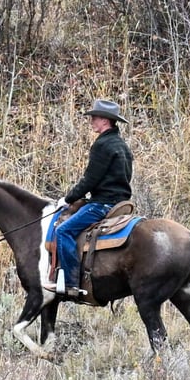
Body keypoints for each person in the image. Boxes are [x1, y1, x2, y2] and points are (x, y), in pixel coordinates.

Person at [45, 99, 133, 295]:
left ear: (105, 121)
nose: (91, 121)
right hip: (121, 203)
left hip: (102, 204)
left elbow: (89, 181)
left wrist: (68, 199)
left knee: (63, 231)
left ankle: (71, 284)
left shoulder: (102, 145)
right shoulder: (122, 146)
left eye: (95, 118)